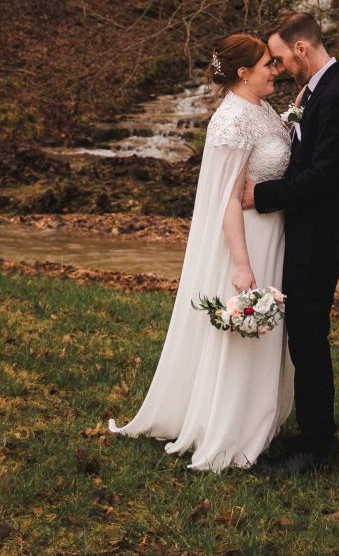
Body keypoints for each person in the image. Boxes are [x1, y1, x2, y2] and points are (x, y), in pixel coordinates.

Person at [108, 33, 294, 471]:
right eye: (269, 64)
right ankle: (230, 425)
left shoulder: (263, 109)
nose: (275, 70)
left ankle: (261, 418)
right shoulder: (230, 121)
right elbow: (225, 200)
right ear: (244, 73)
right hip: (246, 238)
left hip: (274, 233)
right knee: (247, 329)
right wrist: (242, 264)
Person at [242, 11, 339, 474]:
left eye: (279, 58)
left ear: (301, 48)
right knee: (304, 335)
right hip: (310, 230)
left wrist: (260, 196)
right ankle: (312, 434)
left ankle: (319, 448)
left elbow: (323, 177)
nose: (277, 68)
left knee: (310, 337)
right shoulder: (317, 91)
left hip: (323, 233)